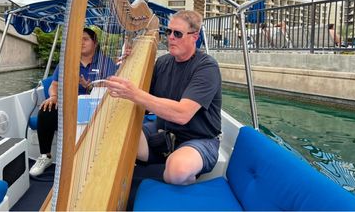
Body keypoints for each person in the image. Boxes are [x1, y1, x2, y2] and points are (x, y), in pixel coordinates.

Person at [106, 10, 222, 185]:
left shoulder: (207, 67)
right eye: (168, 32)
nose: (171, 37)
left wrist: (135, 93)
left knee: (177, 171)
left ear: (195, 36)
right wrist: (128, 64)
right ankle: (160, 163)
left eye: (177, 33)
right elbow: (142, 100)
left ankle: (180, 180)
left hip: (199, 139)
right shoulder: (162, 63)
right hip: (163, 135)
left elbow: (183, 114)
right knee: (117, 134)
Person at [29, 28, 119, 176]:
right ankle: (45, 156)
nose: (81, 42)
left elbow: (112, 86)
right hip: (70, 106)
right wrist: (53, 96)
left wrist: (90, 87)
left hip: (96, 107)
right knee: (46, 110)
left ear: (94, 43)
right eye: (78, 39)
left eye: (85, 39)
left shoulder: (106, 62)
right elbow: (54, 85)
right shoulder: (67, 62)